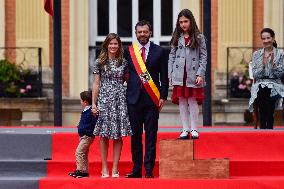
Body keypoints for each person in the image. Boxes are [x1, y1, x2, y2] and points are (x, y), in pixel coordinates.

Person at [124, 20, 168, 178]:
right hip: (133, 100)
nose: (142, 34)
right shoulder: (129, 52)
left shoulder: (160, 51)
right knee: (135, 137)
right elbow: (124, 75)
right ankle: (136, 170)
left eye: (145, 32)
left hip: (152, 100)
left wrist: (163, 96)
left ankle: (148, 170)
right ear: (136, 34)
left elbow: (164, 76)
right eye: (139, 32)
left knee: (151, 135)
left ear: (150, 33)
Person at [92, 33, 132, 178]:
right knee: (103, 135)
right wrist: (93, 103)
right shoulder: (99, 62)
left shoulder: (124, 62)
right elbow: (96, 83)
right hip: (104, 99)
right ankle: (104, 168)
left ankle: (115, 168)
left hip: (120, 100)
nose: (113, 46)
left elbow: (128, 81)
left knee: (117, 135)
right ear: (106, 45)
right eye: (111, 43)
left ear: (119, 46)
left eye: (116, 44)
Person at [168, 9, 207, 139]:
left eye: (185, 21)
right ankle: (185, 129)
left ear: (191, 21)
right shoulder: (176, 38)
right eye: (181, 22)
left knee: (192, 100)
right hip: (179, 74)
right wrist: (170, 74)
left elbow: (203, 57)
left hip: (193, 73)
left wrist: (200, 74)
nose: (183, 24)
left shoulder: (199, 37)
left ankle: (194, 128)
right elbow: (171, 57)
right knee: (182, 101)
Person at [248, 28, 284, 129]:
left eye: (268, 38)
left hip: (275, 84)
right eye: (263, 38)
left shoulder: (280, 54)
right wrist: (263, 66)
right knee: (261, 94)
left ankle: (268, 127)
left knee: (268, 101)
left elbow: (280, 74)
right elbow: (255, 74)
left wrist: (273, 66)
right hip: (260, 84)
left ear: (273, 39)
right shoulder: (256, 55)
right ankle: (264, 129)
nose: (266, 41)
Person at [68, 90, 98, 178]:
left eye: (81, 100)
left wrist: (86, 129)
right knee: (84, 153)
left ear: (85, 102)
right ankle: (84, 171)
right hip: (83, 136)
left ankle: (80, 170)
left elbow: (93, 123)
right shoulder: (85, 110)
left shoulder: (91, 111)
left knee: (79, 152)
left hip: (87, 136)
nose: (80, 102)